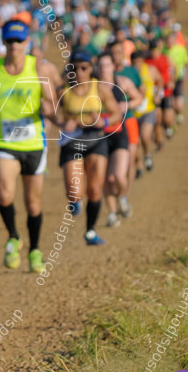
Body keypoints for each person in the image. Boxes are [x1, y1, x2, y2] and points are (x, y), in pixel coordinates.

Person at [0, 20, 58, 272]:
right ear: (3, 42)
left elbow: (53, 104)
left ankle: (35, 250)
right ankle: (13, 236)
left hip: (34, 144)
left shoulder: (39, 68)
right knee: (5, 195)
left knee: (33, 203)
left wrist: (48, 109)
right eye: (10, 41)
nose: (14, 46)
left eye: (19, 41)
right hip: (3, 143)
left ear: (27, 43)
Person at [51, 51, 121, 246]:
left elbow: (116, 113)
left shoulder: (100, 89)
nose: (80, 72)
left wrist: (104, 120)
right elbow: (53, 114)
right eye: (74, 68)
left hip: (96, 139)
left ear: (91, 68)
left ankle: (90, 231)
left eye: (84, 68)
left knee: (95, 190)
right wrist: (64, 123)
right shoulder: (62, 91)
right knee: (74, 192)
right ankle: (75, 202)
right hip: (72, 142)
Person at [97, 53, 141, 227]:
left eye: (106, 65)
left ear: (113, 67)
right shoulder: (92, 87)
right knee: (106, 180)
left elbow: (138, 97)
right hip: (100, 136)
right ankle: (112, 213)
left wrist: (127, 105)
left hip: (119, 132)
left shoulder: (121, 83)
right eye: (100, 66)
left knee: (119, 176)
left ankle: (122, 197)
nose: (103, 69)